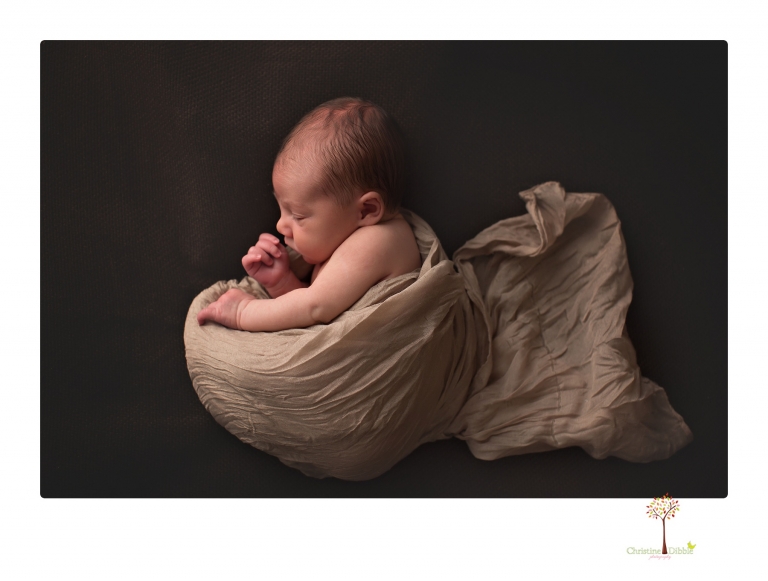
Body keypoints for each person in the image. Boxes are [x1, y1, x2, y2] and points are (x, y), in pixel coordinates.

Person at [197, 97, 422, 331]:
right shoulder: (347, 237)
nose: (280, 225)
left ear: (367, 210)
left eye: (298, 216)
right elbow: (322, 317)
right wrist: (282, 281)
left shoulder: (379, 240)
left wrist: (242, 312)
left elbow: (316, 308)